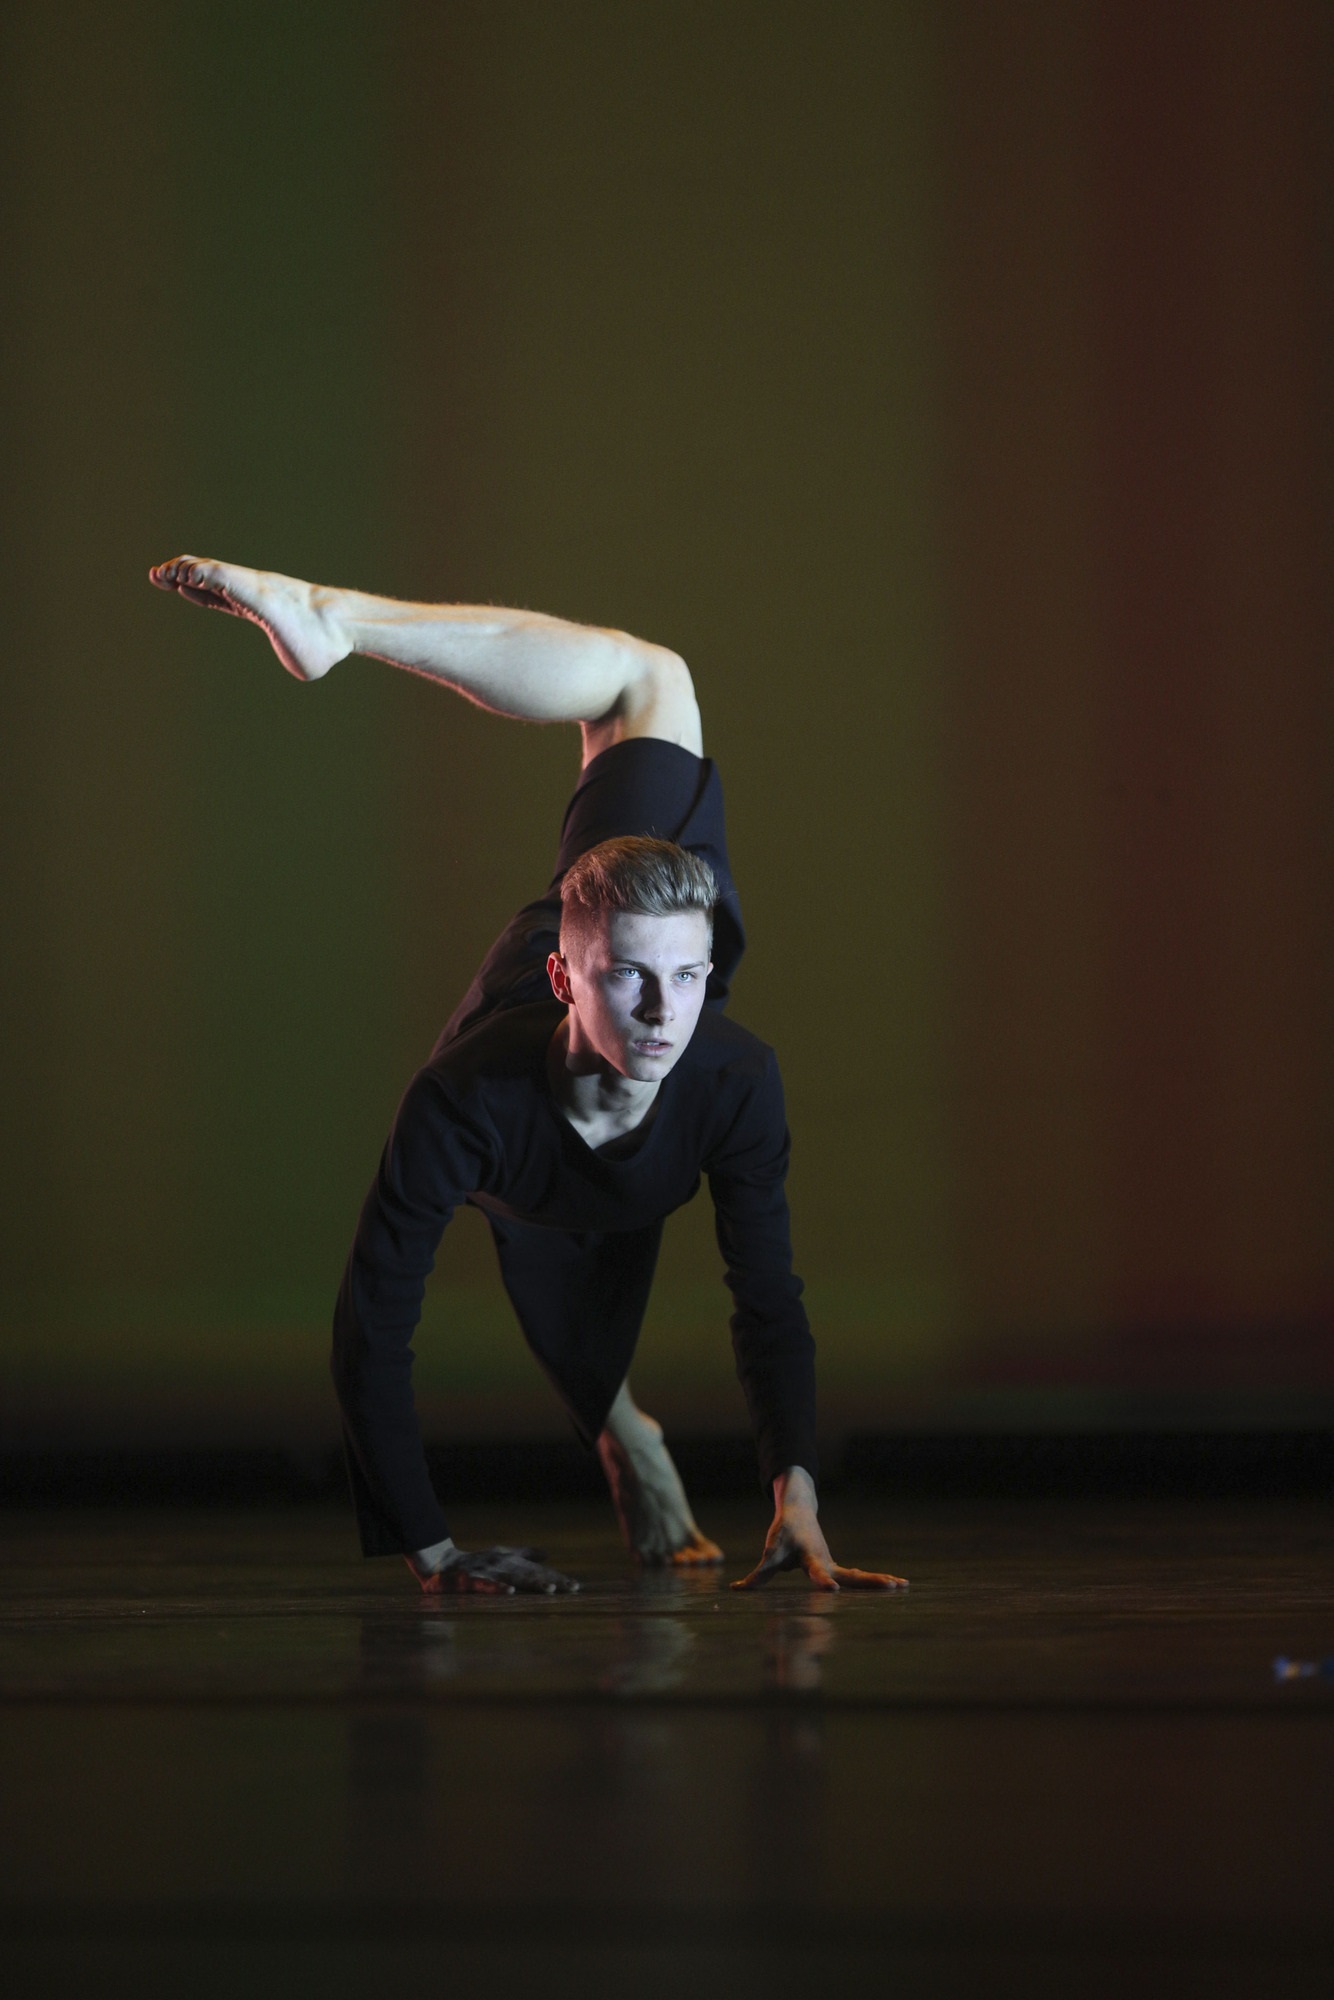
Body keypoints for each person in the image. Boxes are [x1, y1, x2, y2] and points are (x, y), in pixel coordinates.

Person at [149, 555, 908, 1598]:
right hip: (537, 1103)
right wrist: (433, 1552)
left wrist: (797, 1497)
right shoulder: (469, 1104)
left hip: (627, 957)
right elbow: (373, 1324)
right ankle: (618, 1421)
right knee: (552, 1241)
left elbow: (767, 1296)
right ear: (565, 974)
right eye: (631, 979)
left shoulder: (723, 1064)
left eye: (689, 977)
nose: (660, 1012)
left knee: (648, 679)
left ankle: (336, 619)